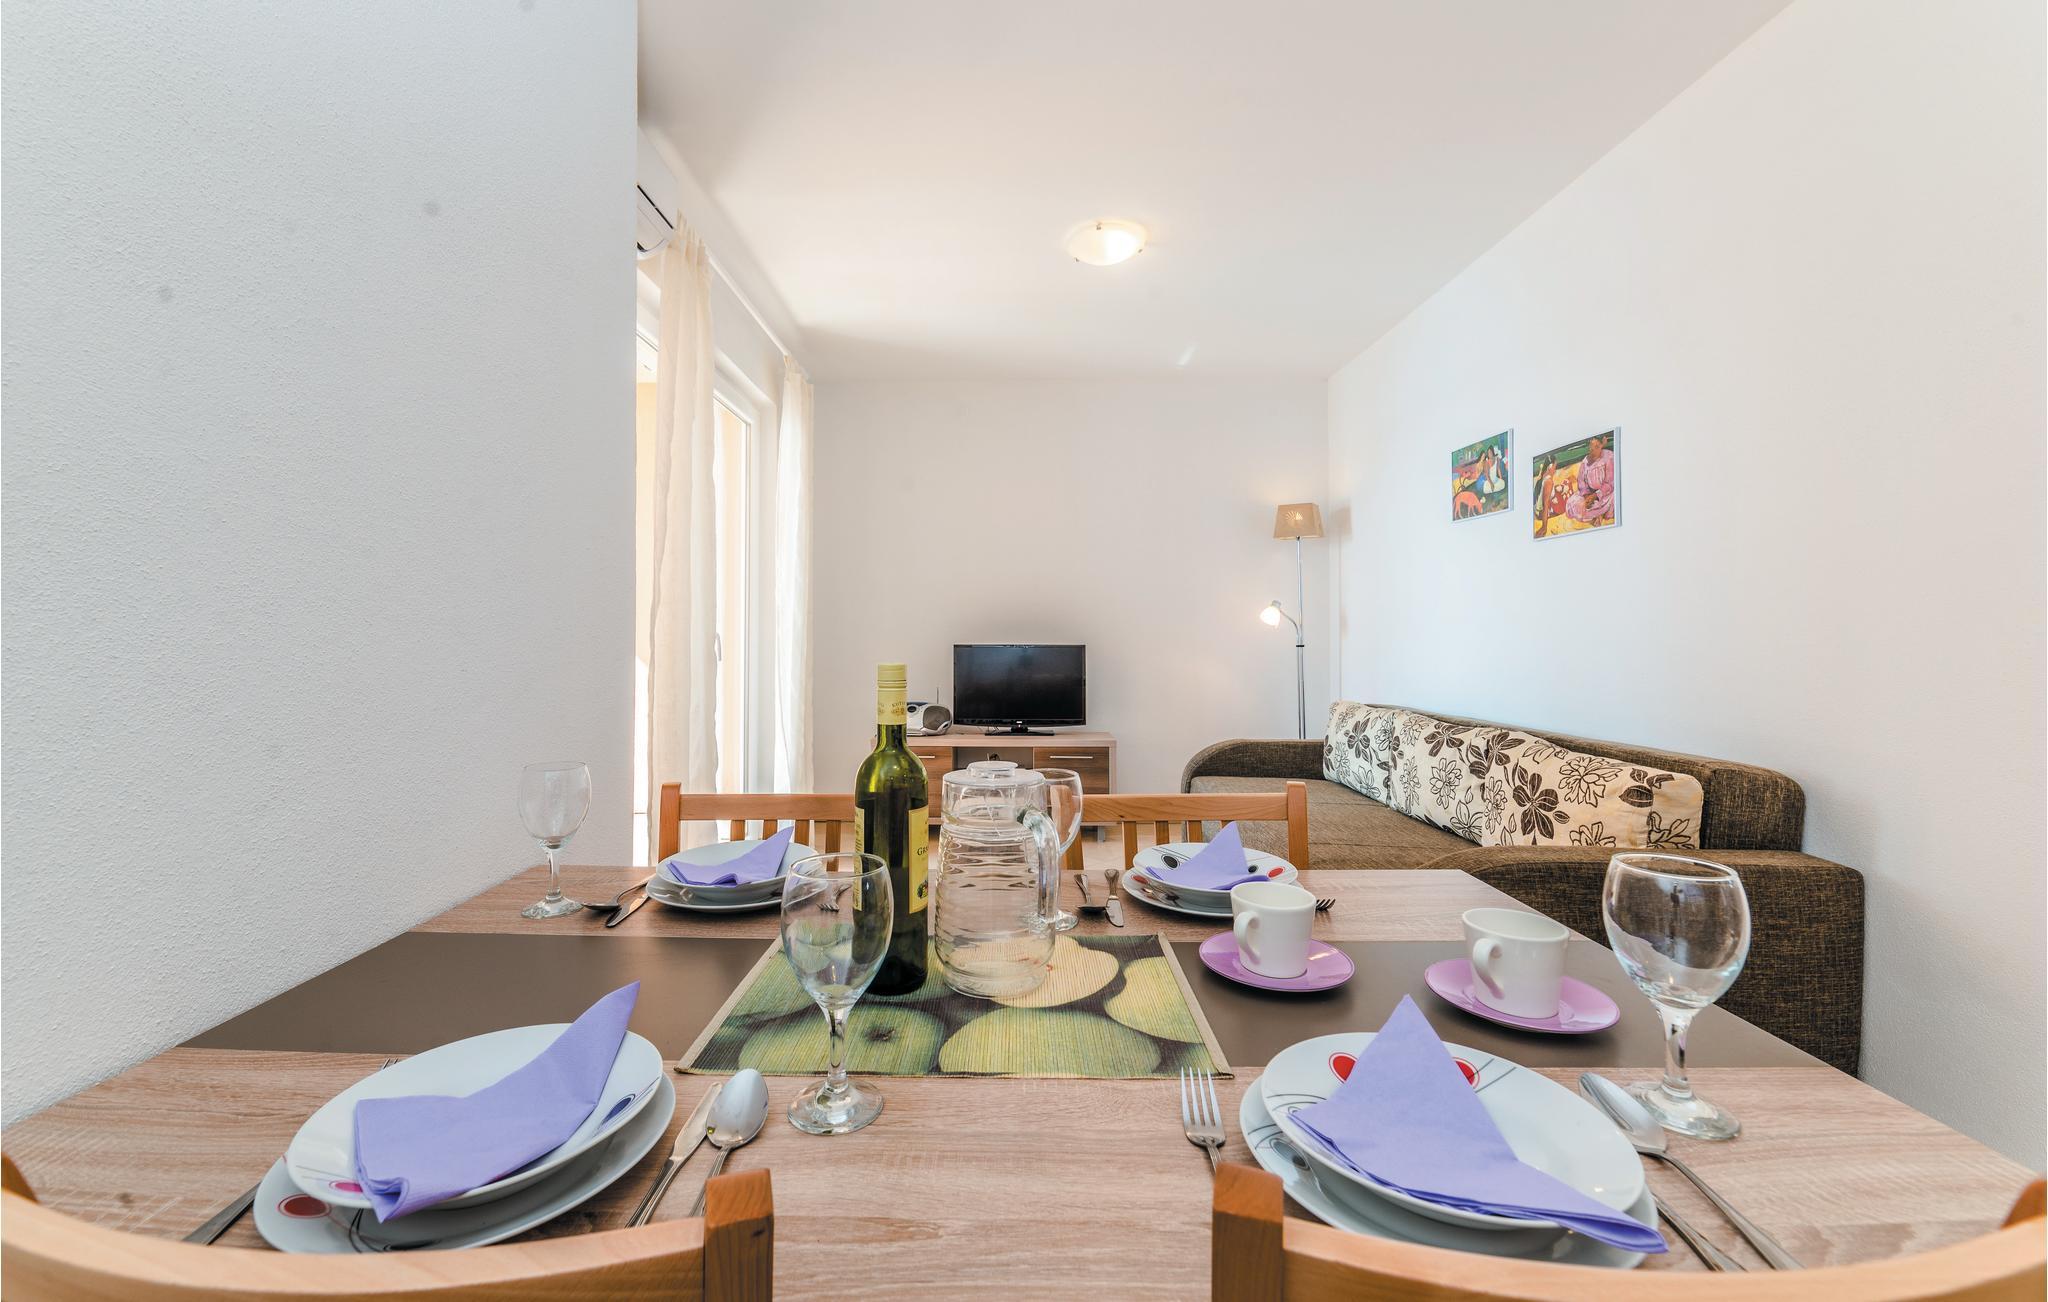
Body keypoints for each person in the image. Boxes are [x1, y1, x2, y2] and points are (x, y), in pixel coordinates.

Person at [1565, 435, 1615, 525]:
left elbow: (1610, 483)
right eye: (1591, 448)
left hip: (1606, 494)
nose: (1594, 450)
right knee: (1573, 503)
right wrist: (1586, 496)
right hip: (1590, 493)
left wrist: (1595, 495)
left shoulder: (1609, 456)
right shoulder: (1586, 461)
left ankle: (1600, 515)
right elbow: (1581, 481)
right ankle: (1595, 516)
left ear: (1602, 445)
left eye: (1597, 447)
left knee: (1613, 499)